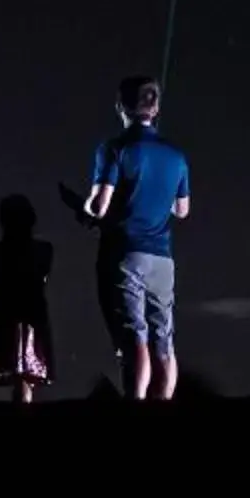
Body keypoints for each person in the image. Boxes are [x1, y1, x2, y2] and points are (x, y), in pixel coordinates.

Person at [82, 75, 190, 400]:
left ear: (121, 107)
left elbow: (99, 206)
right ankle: (164, 401)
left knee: (134, 336)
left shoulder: (115, 148)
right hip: (163, 258)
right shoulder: (177, 155)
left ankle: (135, 402)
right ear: (155, 108)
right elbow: (182, 210)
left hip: (125, 252)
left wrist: (84, 205)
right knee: (163, 337)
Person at [0, 193, 55, 403]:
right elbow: (40, 278)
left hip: (2, 315)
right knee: (23, 374)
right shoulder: (43, 250)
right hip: (28, 315)